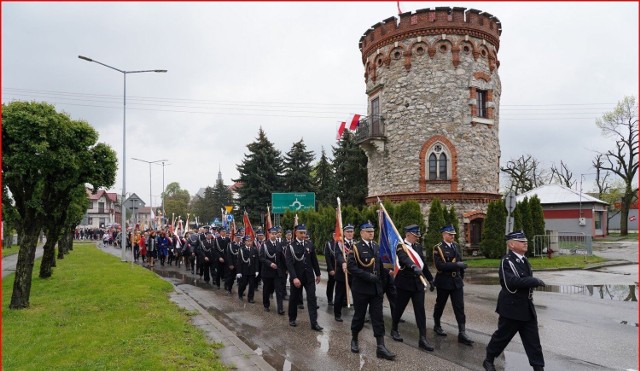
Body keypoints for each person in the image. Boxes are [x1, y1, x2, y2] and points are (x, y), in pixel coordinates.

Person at [483, 231, 546, 371]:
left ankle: (539, 368)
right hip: (511, 308)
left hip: (527, 307)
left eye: (525, 240)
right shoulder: (507, 261)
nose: (525, 243)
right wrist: (533, 281)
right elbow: (510, 282)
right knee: (502, 337)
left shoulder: (524, 260)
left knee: (533, 342)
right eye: (521, 241)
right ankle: (489, 359)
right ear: (511, 244)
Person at [348, 222, 395, 360]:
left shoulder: (376, 246)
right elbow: (351, 267)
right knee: (359, 316)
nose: (371, 233)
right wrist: (368, 276)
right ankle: (354, 339)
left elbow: (381, 266)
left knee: (378, 318)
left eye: (372, 231)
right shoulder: (355, 247)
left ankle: (380, 347)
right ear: (361, 233)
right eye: (368, 231)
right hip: (361, 289)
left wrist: (388, 273)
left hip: (375, 290)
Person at [390, 224, 435, 352]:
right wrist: (413, 267)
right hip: (404, 284)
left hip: (418, 284)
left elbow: (423, 265)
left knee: (420, 311)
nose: (417, 238)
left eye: (417, 236)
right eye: (415, 236)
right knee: (399, 308)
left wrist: (431, 279)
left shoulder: (418, 247)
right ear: (408, 235)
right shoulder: (400, 246)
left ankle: (423, 338)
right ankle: (394, 329)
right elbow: (404, 259)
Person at [432, 224, 473, 345]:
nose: (452, 236)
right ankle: (437, 325)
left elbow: (459, 262)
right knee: (440, 304)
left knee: (459, 307)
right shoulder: (438, 248)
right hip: (444, 281)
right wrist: (456, 265)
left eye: (453, 235)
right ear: (444, 235)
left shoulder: (456, 246)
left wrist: (461, 275)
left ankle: (462, 332)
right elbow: (440, 266)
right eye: (450, 234)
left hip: (456, 282)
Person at [285, 224, 322, 331]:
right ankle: (292, 318)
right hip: (297, 277)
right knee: (294, 298)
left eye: (304, 233)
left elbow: (314, 260)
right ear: (296, 233)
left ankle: (314, 323)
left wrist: (318, 274)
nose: (303, 235)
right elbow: (289, 264)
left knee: (312, 299)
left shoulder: (309, 244)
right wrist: (294, 277)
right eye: (301, 233)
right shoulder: (291, 246)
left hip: (309, 277)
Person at [260, 227, 286, 314]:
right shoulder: (264, 245)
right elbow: (261, 258)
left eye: (275, 234)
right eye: (272, 234)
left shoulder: (279, 244)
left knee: (279, 290)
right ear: (269, 234)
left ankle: (280, 308)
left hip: (277, 272)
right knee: (267, 289)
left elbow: (282, 258)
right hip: (267, 271)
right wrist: (270, 263)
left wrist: (286, 269)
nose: (274, 235)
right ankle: (266, 305)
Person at [333, 225, 353, 322]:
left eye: (351, 232)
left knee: (358, 294)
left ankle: (359, 313)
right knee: (339, 295)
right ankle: (337, 314)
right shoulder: (340, 243)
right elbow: (338, 255)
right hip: (342, 273)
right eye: (348, 232)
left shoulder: (355, 243)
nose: (350, 233)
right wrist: (343, 262)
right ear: (344, 233)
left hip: (353, 274)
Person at [236, 234, 259, 303]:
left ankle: (250, 298)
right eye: (247, 241)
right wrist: (238, 272)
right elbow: (239, 262)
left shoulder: (254, 249)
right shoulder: (241, 250)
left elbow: (256, 261)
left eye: (250, 241)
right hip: (244, 271)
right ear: (244, 242)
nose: (249, 242)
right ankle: (240, 293)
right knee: (243, 284)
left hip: (252, 271)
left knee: (252, 285)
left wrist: (257, 270)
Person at [324, 233, 337, 307]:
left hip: (341, 268)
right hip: (332, 268)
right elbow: (327, 257)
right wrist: (330, 269)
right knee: (331, 284)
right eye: (334, 234)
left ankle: (343, 299)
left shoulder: (342, 243)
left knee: (341, 285)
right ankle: (330, 299)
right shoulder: (329, 244)